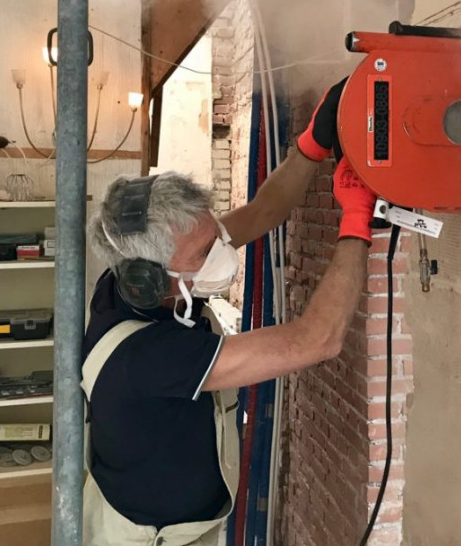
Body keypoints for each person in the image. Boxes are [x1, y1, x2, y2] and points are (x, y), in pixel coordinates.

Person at [81, 80, 373, 546]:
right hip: (154, 539)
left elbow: (262, 212)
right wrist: (357, 222)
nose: (222, 250)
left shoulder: (141, 281)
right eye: (204, 252)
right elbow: (317, 340)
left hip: (179, 520)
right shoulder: (149, 355)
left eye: (214, 235)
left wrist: (311, 144)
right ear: (149, 277)